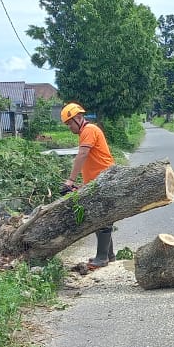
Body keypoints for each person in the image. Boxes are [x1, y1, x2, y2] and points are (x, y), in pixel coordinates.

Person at [61, 102, 116, 269]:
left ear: (78, 118)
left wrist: (70, 180)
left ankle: (102, 257)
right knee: (101, 216)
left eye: (70, 123)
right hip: (97, 180)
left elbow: (83, 154)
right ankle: (109, 255)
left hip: (105, 178)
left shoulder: (89, 130)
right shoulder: (86, 132)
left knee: (102, 217)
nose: (69, 127)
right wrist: (83, 185)